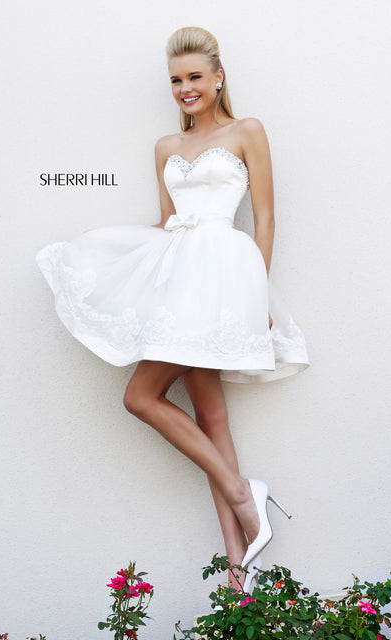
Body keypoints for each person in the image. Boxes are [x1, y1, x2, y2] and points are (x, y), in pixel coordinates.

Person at [35, 26, 309, 591]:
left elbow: (264, 219)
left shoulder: (247, 131)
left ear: (218, 77)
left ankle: (243, 496)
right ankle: (238, 570)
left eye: (195, 77)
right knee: (210, 419)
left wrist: (257, 293)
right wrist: (112, 259)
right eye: (176, 80)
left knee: (141, 396)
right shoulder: (165, 147)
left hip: (222, 278)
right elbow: (166, 225)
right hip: (179, 281)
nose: (186, 88)